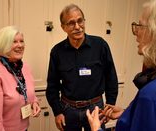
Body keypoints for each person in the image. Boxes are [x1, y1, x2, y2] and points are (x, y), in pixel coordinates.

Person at [86, 0, 156, 130]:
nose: (136, 33)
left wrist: (96, 128)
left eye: (140, 26)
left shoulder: (152, 95)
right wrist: (128, 113)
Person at [46, 3, 118, 131]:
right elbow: (52, 86)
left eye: (80, 21)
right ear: (63, 27)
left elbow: (111, 77)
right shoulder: (57, 52)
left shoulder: (100, 45)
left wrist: (110, 105)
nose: (77, 27)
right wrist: (57, 112)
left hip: (95, 108)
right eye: (71, 23)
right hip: (68, 109)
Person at [0, 26, 41, 131]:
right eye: (14, 42)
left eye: (22, 41)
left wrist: (34, 103)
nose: (20, 45)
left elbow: (28, 93)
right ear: (3, 45)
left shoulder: (25, 68)